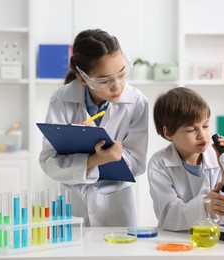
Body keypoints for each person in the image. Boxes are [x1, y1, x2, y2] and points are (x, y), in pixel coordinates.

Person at [39, 29, 149, 227]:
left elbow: (137, 164)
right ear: (82, 78)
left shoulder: (137, 102)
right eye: (105, 80)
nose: (117, 86)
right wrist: (95, 158)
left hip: (115, 203)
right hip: (73, 204)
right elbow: (49, 163)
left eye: (122, 73)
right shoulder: (61, 99)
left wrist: (114, 156)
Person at [147, 87, 224, 231]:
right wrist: (204, 204)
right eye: (191, 130)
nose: (202, 135)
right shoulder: (159, 164)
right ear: (168, 132)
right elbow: (169, 216)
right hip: (176, 239)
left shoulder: (218, 158)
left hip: (215, 237)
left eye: (205, 125)